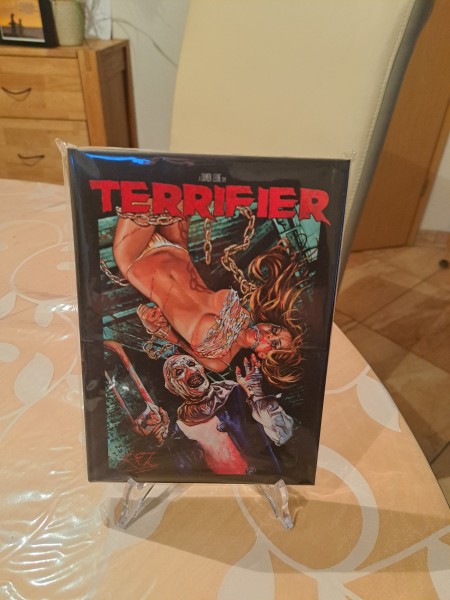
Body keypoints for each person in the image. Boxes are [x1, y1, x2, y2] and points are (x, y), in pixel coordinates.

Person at [113, 208, 308, 388]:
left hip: (136, 262)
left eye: (274, 344)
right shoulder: (244, 313)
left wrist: (153, 326)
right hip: (175, 247)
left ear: (264, 355)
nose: (269, 335)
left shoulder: (220, 362)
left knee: (143, 193)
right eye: (275, 330)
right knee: (177, 187)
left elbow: (175, 339)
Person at [153, 353, 294, 476]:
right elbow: (184, 470)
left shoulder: (235, 392)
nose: (191, 371)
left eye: (192, 364)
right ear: (173, 387)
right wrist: (166, 441)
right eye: (179, 372)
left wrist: (257, 394)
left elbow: (282, 434)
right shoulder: (181, 425)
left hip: (266, 483)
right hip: (225, 493)